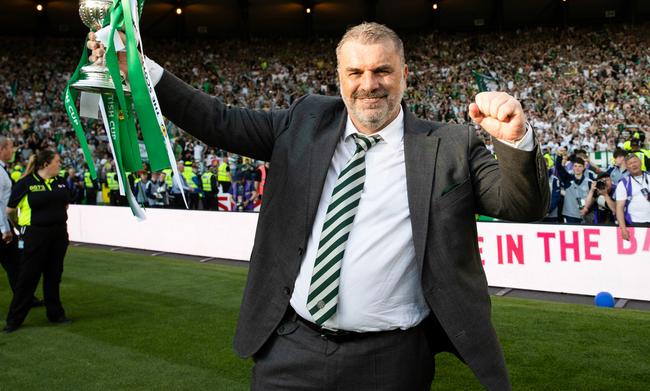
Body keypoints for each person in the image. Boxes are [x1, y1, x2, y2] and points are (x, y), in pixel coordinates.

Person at [88, 23, 549, 390]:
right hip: (291, 349)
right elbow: (219, 121)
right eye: (356, 72)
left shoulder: (450, 144)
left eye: (382, 71)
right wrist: (141, 70)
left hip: (392, 362)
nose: (369, 84)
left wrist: (515, 142)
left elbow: (520, 205)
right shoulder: (305, 120)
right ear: (340, 78)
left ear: (404, 74)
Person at [3, 149, 72, 333]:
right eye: (57, 161)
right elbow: (10, 210)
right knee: (28, 277)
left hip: (58, 234)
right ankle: (14, 320)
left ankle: (55, 314)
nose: (60, 164)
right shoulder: (25, 183)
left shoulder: (60, 183)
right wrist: (22, 228)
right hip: (35, 235)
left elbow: (65, 204)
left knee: (54, 275)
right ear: (45, 164)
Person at [0, 136, 19, 296]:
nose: (12, 150)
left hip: (5, 225)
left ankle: (24, 297)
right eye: (10, 147)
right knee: (15, 262)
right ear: (2, 149)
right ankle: (24, 298)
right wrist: (5, 229)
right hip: (2, 228)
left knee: (15, 263)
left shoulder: (3, 169)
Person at [616, 154, 650, 241]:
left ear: (641, 162)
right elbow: (619, 208)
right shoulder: (623, 183)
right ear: (627, 167)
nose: (633, 165)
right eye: (630, 163)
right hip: (635, 224)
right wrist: (623, 229)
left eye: (635, 162)